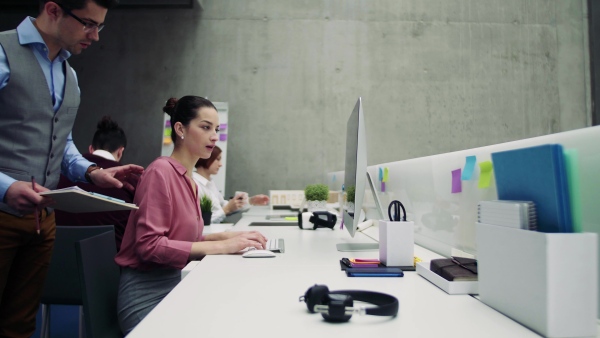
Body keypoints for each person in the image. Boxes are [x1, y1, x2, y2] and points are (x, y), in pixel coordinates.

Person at [0, 1, 145, 336]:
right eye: (87, 24)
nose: (94, 36)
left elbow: (61, 141)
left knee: (20, 326)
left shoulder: (69, 73)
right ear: (53, 10)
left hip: (42, 222)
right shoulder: (4, 52)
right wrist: (6, 186)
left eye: (100, 27)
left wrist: (92, 172)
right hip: (2, 212)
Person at [115, 96, 267, 335]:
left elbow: (186, 241)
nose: (214, 136)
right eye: (205, 127)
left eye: (216, 129)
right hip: (147, 297)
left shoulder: (190, 181)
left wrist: (234, 237)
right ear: (180, 129)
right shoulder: (160, 172)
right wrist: (224, 247)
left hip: (176, 284)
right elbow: (149, 246)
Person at [55, 115, 137, 251]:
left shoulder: (61, 174)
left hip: (59, 256)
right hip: (110, 261)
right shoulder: (129, 181)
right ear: (120, 151)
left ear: (91, 148)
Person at [193, 145, 270, 223]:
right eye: (217, 159)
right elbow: (200, 222)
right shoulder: (194, 184)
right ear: (206, 158)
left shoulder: (210, 182)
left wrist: (250, 201)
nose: (220, 164)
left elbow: (222, 206)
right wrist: (227, 209)